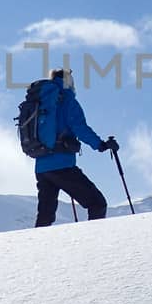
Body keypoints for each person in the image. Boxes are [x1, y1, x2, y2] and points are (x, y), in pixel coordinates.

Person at [33, 69, 118, 227]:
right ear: (68, 81)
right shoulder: (67, 100)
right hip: (62, 165)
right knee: (97, 204)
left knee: (45, 216)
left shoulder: (41, 101)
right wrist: (101, 145)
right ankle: (95, 244)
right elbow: (80, 128)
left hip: (41, 167)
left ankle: (36, 249)